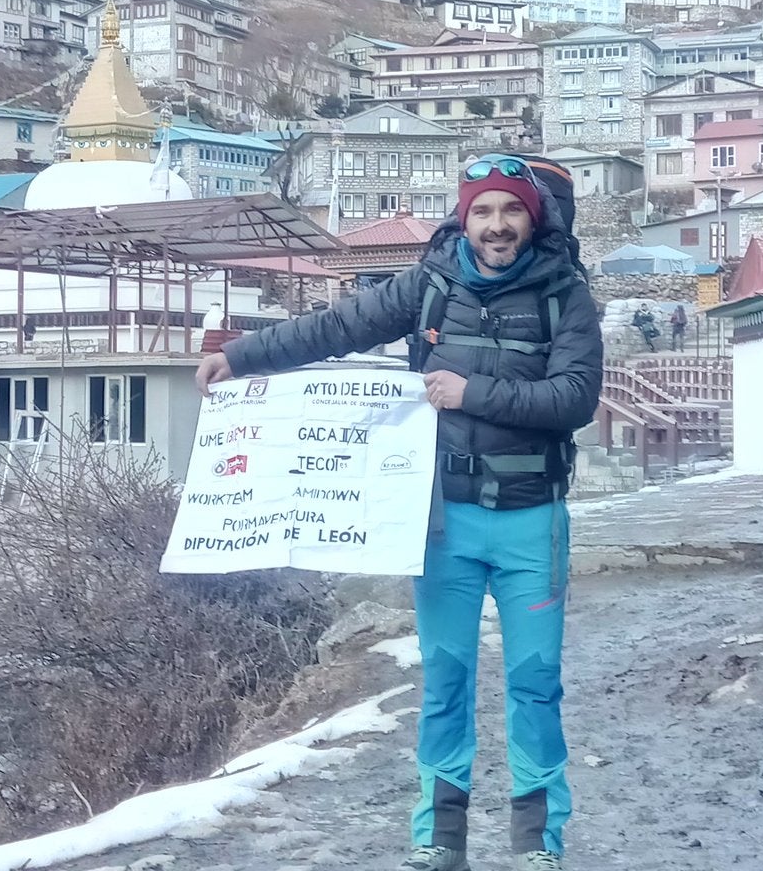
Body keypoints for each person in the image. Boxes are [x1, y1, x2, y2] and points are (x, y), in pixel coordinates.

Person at [197, 154, 603, 871]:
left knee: (534, 680)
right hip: (441, 520)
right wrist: (246, 355)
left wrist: (468, 391)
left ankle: (538, 841)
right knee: (445, 674)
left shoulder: (565, 296)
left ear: (531, 218)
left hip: (530, 518)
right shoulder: (429, 287)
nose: (497, 224)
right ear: (464, 217)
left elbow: (573, 399)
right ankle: (438, 839)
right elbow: (337, 327)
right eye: (483, 211)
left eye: (510, 210)